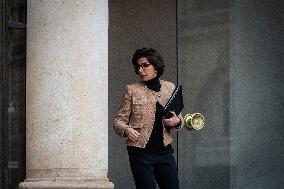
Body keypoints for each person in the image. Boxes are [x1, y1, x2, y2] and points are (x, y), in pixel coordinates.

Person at [113, 47, 184, 189]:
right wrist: (126, 129)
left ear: (156, 66)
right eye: (138, 66)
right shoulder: (132, 90)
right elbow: (118, 121)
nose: (140, 70)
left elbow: (179, 117)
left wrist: (177, 121)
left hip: (165, 152)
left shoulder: (170, 87)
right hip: (140, 154)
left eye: (145, 65)